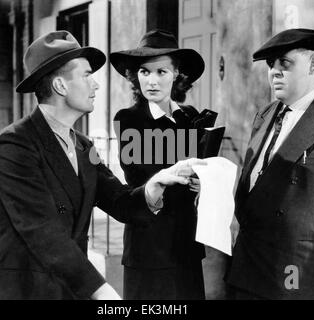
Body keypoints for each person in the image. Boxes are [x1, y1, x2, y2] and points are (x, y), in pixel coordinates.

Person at [0, 30, 204, 300]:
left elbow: (119, 200)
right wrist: (101, 291)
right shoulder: (14, 145)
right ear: (60, 86)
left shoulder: (84, 146)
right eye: (87, 75)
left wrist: (156, 184)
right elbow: (44, 232)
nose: (96, 85)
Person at [226, 28, 314, 300]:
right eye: (270, 65)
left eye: (285, 63)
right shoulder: (264, 115)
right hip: (247, 270)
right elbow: (255, 189)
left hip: (296, 276)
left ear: (313, 64)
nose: (274, 72)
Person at [110, 29, 217, 300]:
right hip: (148, 249)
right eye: (145, 72)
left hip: (186, 246)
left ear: (177, 75)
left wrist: (203, 182)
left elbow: (196, 176)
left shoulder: (190, 117)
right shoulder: (128, 119)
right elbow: (141, 176)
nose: (152, 81)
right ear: (136, 76)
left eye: (162, 72)